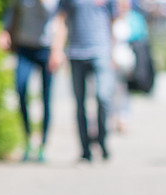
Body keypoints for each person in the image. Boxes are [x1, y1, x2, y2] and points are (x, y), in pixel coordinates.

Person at [49, 0, 119, 163]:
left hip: (101, 51)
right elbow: (61, 20)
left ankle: (102, 139)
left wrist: (113, 51)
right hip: (76, 52)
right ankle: (85, 149)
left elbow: (112, 21)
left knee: (103, 97)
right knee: (80, 104)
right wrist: (57, 49)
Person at [0, 0, 59, 163]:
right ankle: (28, 139)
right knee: (21, 87)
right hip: (25, 47)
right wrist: (4, 32)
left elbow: (55, 17)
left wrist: (57, 51)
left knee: (46, 98)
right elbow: (12, 10)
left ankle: (43, 145)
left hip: (47, 48)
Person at [112, 0, 150, 134]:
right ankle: (113, 117)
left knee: (124, 91)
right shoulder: (112, 17)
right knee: (111, 91)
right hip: (112, 60)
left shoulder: (134, 18)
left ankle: (123, 117)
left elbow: (141, 39)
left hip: (128, 61)